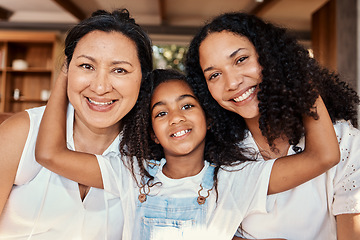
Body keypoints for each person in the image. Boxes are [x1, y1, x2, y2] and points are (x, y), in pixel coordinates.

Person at [35, 68, 339, 239]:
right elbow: (50, 154)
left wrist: (299, 74)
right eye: (161, 113)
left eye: (187, 105)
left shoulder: (236, 179)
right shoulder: (129, 173)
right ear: (152, 132)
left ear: (207, 116)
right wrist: (64, 75)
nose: (176, 118)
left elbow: (322, 157)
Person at [185, 12, 360, 240]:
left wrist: (298, 77)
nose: (233, 83)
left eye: (240, 60)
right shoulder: (214, 156)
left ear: (270, 57)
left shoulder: (344, 140)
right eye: (215, 75)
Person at [0, 9, 153, 239]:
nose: (100, 87)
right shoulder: (22, 132)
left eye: (119, 70)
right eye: (86, 66)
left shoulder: (150, 156)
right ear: (67, 69)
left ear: (143, 78)